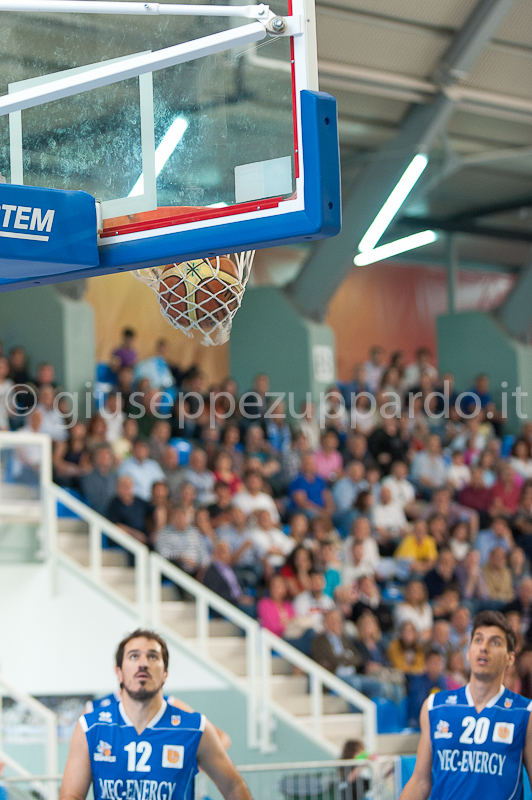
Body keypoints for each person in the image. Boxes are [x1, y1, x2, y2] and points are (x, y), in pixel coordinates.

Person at [59, 629, 251, 800]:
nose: (143, 664)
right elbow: (72, 796)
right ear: (119, 672)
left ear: (165, 673)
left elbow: (234, 786)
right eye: (133, 656)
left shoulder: (194, 728)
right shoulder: (91, 727)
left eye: (152, 657)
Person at [399, 610, 532, 800]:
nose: (484, 647)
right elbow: (420, 782)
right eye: (478, 640)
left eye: (495, 642)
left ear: (510, 659)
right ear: (468, 653)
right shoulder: (435, 707)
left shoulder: (525, 712)